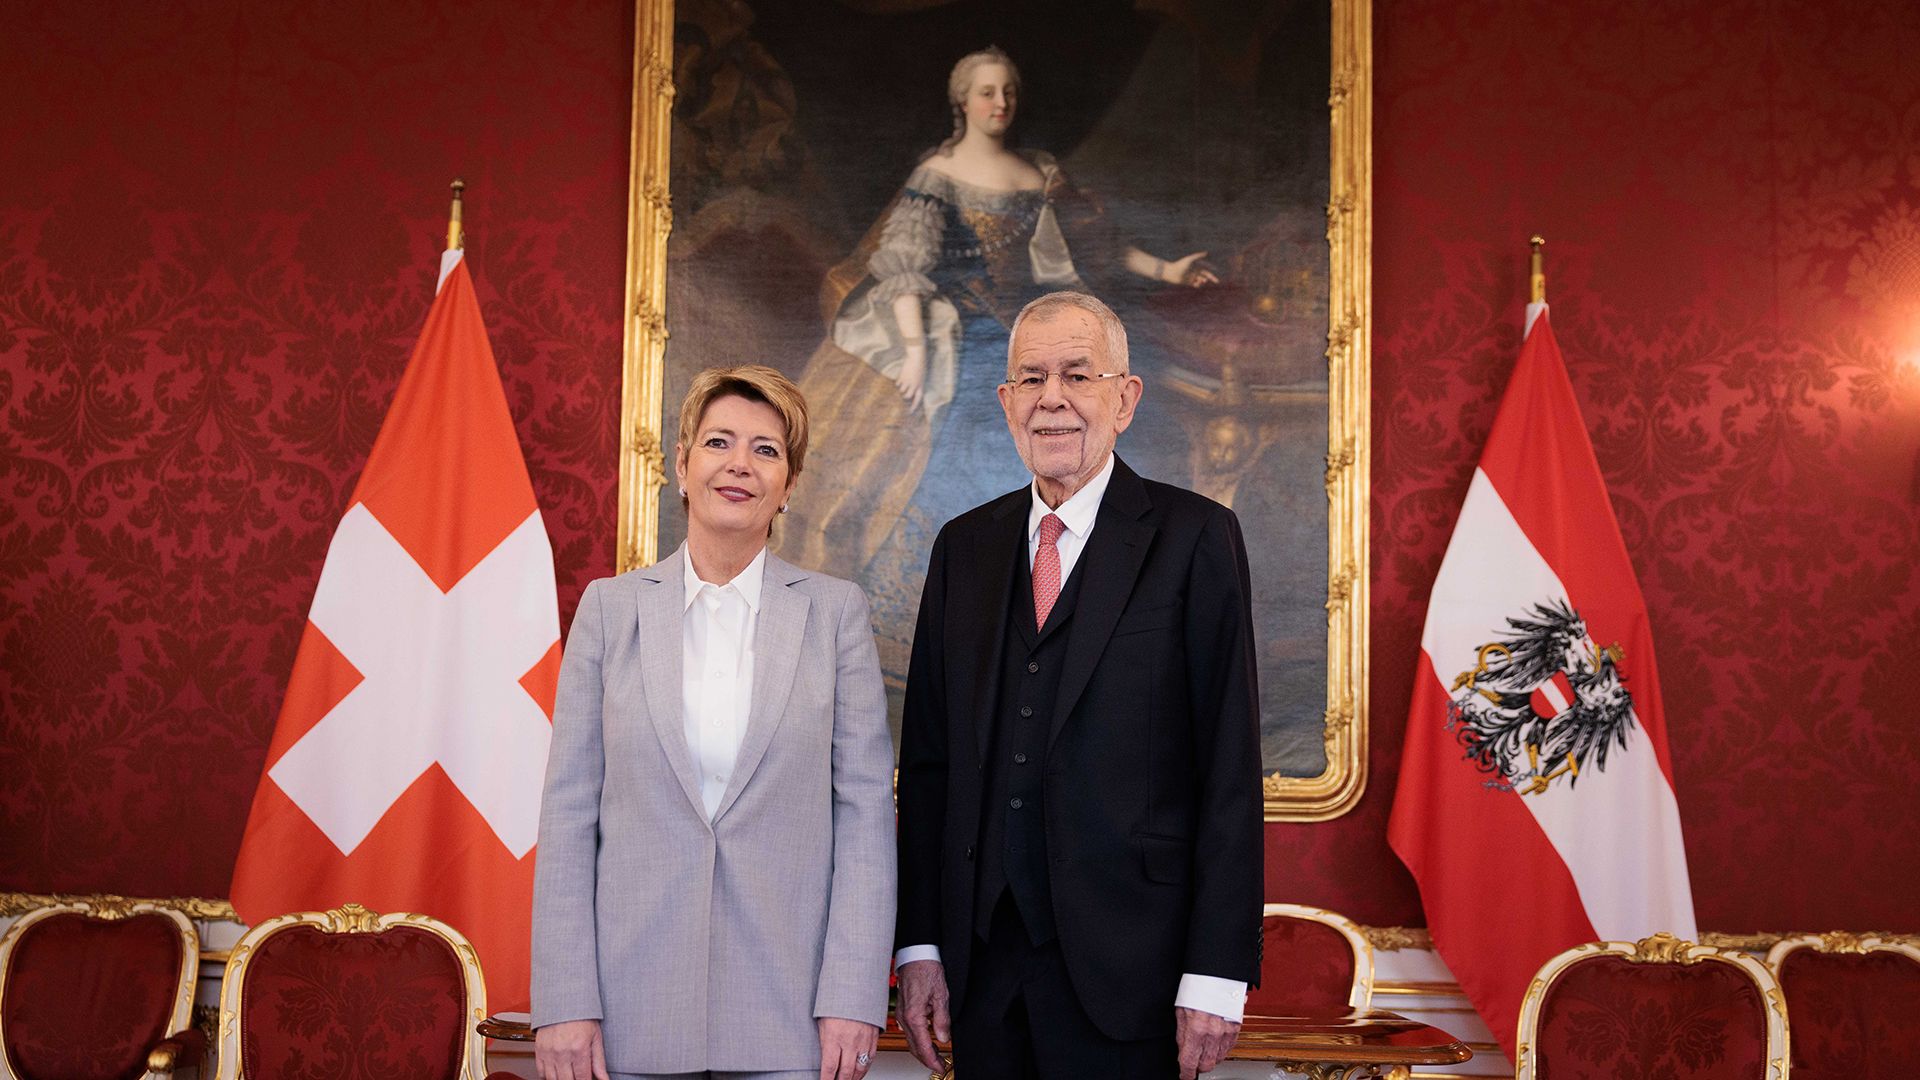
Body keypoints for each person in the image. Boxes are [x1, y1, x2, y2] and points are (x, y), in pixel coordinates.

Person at [893, 291, 1263, 1079]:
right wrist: (919, 944)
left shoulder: (1196, 537)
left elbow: (1228, 768)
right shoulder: (963, 548)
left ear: (1124, 398)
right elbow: (929, 767)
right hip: (982, 970)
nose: (1051, 398)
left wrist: (1217, 972)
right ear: (1006, 403)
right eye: (1030, 378)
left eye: (1077, 375)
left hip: (1135, 971)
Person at [531, 366, 896, 1080]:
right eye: (719, 441)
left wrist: (853, 993)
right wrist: (564, 1000)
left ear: (789, 484)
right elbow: (569, 815)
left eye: (766, 450)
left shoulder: (836, 613)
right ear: (681, 464)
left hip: (792, 1019)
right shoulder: (610, 611)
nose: (740, 464)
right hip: (625, 1017)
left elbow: (863, 820)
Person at [783, 46, 1215, 628]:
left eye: (1008, 91)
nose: (1000, 103)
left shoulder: (1038, 171)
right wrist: (913, 353)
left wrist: (1168, 271)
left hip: (1035, 330)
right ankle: (930, 608)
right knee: (958, 434)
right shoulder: (937, 175)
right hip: (955, 330)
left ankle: (1088, 596)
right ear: (963, 101)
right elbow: (905, 267)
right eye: (987, 92)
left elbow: (1097, 246)